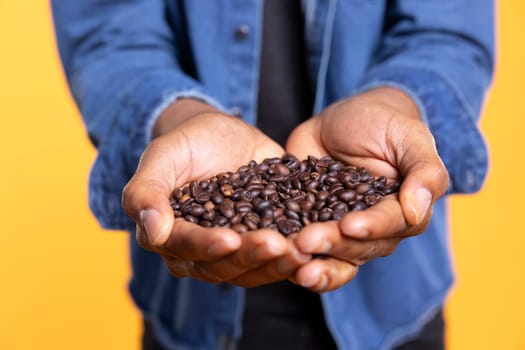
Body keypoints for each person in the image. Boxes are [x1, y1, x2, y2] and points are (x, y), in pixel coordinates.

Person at [51, 1, 494, 349]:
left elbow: (448, 33)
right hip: (192, 313)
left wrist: (395, 106)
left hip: (392, 299)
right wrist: (177, 117)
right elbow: (110, 38)